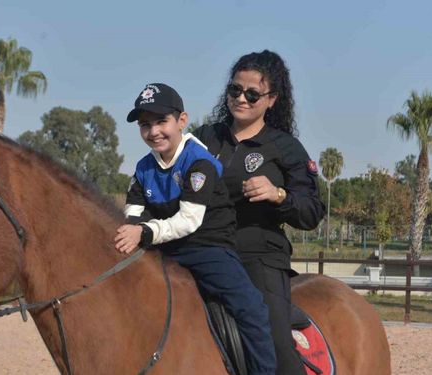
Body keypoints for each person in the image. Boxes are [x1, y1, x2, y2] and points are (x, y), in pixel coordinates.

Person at [115, 83, 277, 375]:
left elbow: (189, 221)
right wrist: (131, 231)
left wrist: (144, 233)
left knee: (253, 309)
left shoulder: (199, 162)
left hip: (207, 248)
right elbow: (134, 213)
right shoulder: (142, 168)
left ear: (182, 120)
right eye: (145, 125)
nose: (154, 132)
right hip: (163, 249)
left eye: (161, 122)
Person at [193, 51, 325, 375]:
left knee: (276, 348)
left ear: (272, 100)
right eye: (235, 90)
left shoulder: (285, 147)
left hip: (257, 257)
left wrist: (277, 194)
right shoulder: (204, 138)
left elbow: (312, 211)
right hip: (200, 250)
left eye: (253, 94)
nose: (241, 99)